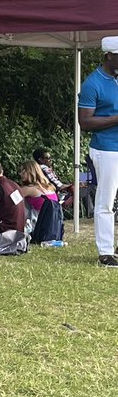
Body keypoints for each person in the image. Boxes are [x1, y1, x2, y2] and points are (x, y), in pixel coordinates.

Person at [77, 37, 118, 267]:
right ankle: (105, 253)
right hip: (107, 149)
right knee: (105, 201)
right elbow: (85, 122)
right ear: (109, 56)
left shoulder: (116, 79)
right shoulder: (93, 84)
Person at [17, 160, 59, 238]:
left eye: (23, 171)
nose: (20, 174)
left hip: (37, 225)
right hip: (53, 225)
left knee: (18, 203)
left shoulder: (29, 189)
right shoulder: (50, 187)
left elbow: (9, 200)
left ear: (31, 172)